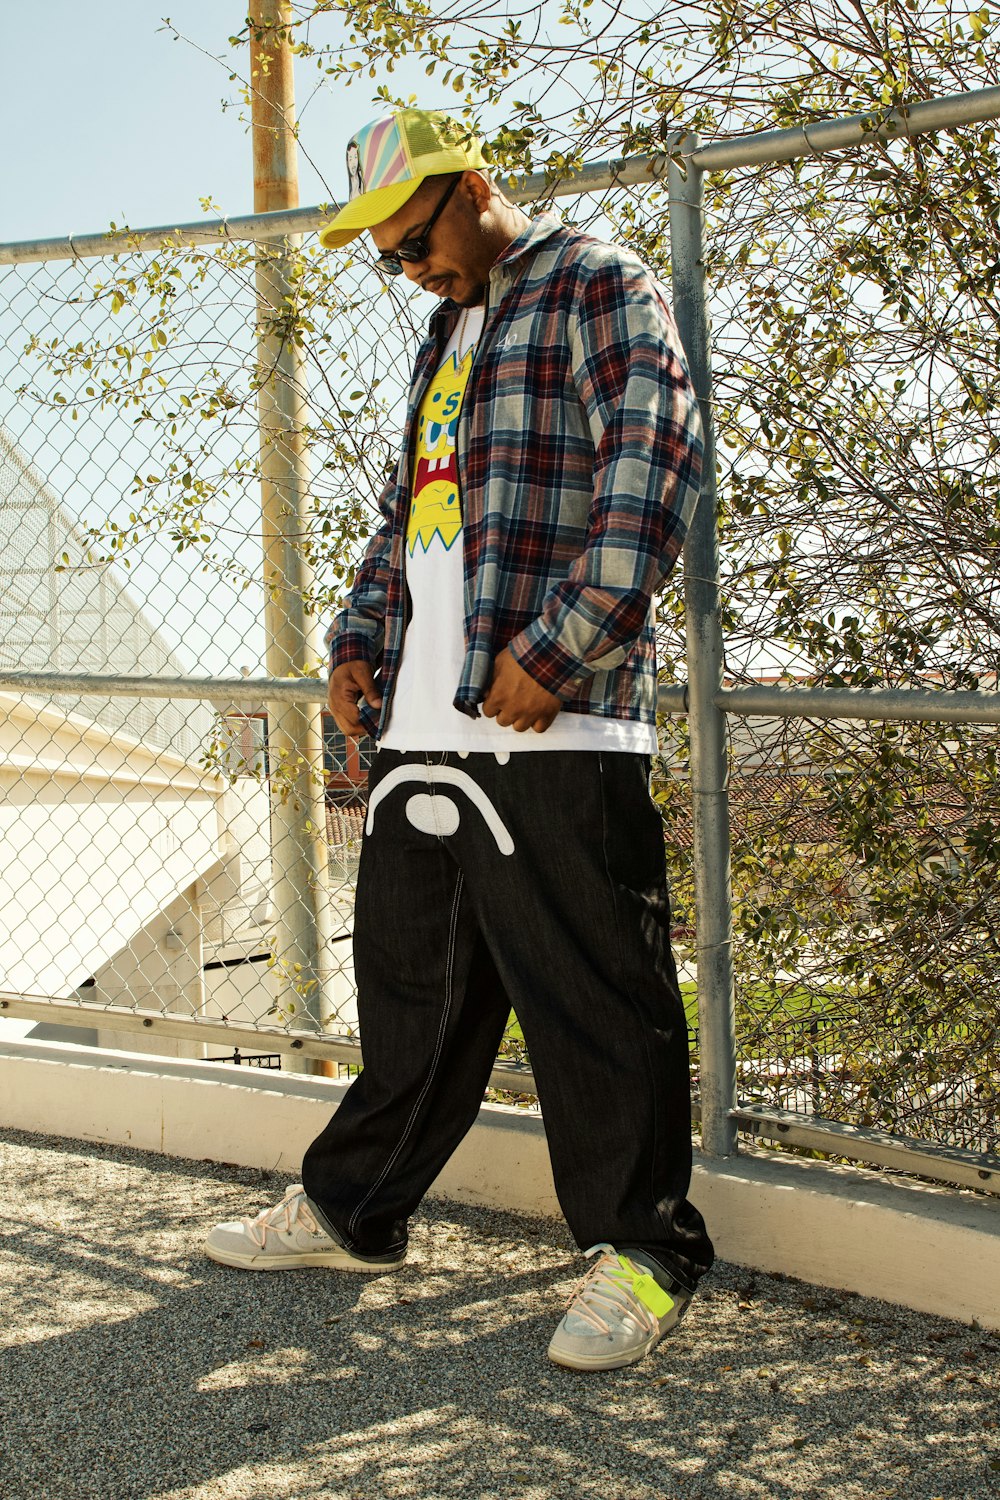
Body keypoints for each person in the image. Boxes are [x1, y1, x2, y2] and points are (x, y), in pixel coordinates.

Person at [206, 107, 714, 1372]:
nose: (407, 268)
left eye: (414, 238)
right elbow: (410, 510)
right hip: (422, 727)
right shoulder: (450, 330)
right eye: (386, 254)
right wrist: (357, 639)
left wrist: (562, 650)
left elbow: (655, 467)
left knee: (596, 998)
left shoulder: (600, 283)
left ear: (473, 188)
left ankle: (645, 1255)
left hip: (557, 720)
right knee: (413, 994)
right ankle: (351, 1211)